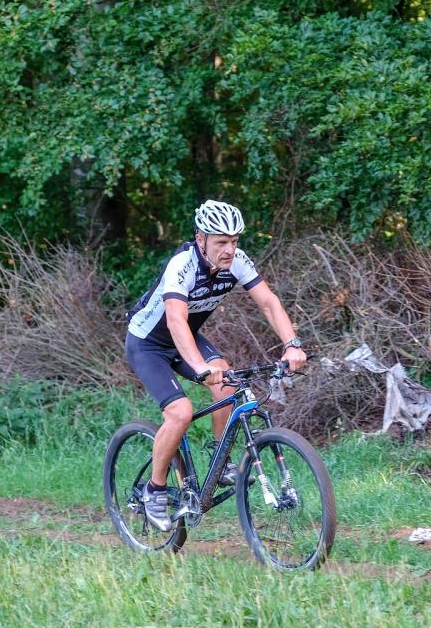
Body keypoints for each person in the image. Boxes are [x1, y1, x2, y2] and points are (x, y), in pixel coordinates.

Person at [125, 200, 307, 531]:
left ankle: (219, 460)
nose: (229, 249)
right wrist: (198, 365)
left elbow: (268, 303)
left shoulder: (237, 261)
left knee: (226, 383)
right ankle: (155, 491)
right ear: (201, 239)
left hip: (187, 338)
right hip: (148, 344)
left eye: (234, 241)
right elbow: (176, 320)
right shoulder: (182, 265)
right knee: (180, 412)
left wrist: (292, 344)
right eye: (221, 241)